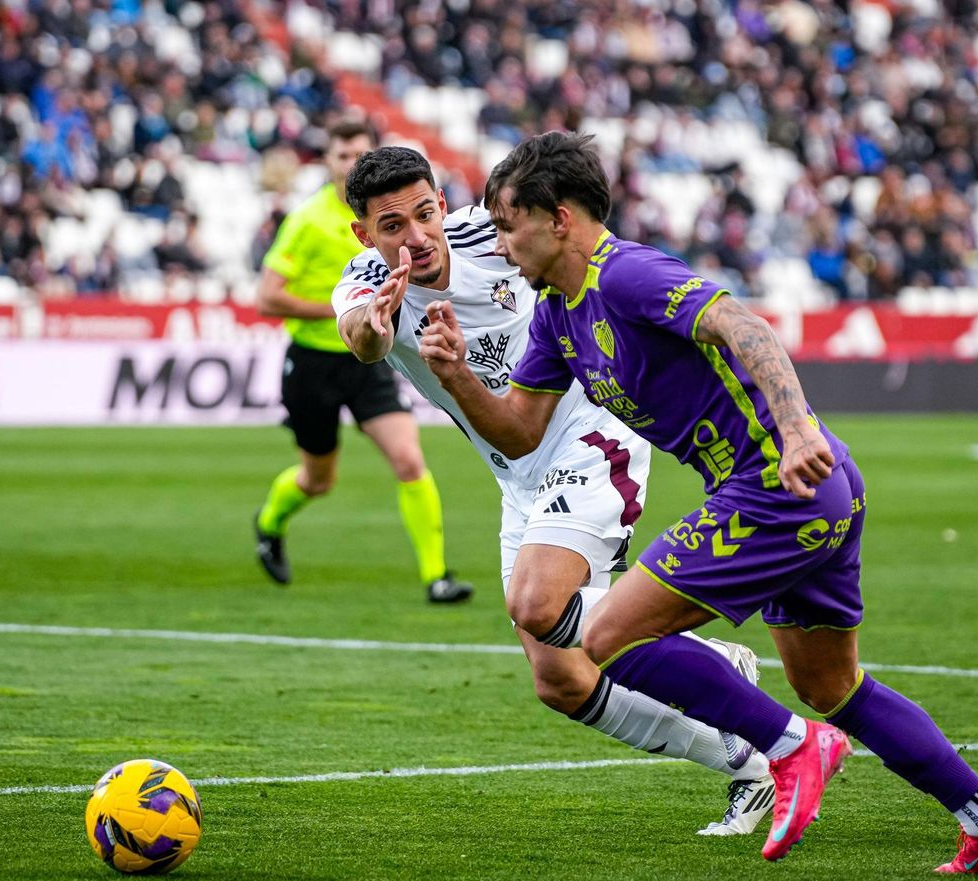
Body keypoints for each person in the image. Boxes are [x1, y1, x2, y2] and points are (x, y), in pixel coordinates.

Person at [417, 132, 978, 872]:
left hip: (780, 488)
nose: (499, 243)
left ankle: (790, 748)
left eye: (508, 224)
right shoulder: (557, 313)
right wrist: (457, 377)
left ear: (559, 218)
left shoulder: (628, 275)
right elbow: (520, 431)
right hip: (803, 494)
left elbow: (743, 326)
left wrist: (797, 427)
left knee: (602, 639)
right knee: (830, 684)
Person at [331, 146, 774, 835]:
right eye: (392, 226)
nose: (415, 237)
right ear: (365, 235)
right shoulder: (363, 281)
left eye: (424, 214)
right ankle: (748, 763)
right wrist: (377, 324)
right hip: (518, 470)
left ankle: (703, 655)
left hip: (590, 435)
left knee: (537, 603)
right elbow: (358, 335)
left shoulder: (496, 234)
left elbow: (576, 244)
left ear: (442, 205)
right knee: (561, 680)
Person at [252, 122, 470, 603]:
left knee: (409, 459)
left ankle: (437, 577)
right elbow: (267, 298)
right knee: (318, 479)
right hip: (314, 361)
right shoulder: (306, 221)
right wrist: (346, 311)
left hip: (372, 359)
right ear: (328, 162)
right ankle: (269, 521)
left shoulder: (395, 211)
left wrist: (378, 323)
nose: (352, 162)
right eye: (342, 154)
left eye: (359, 154)